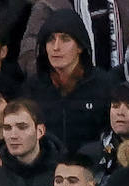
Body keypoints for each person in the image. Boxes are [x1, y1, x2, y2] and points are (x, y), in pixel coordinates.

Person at [21, 8, 115, 155]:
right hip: (44, 171)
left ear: (80, 46)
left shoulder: (104, 85)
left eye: (65, 39)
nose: (56, 47)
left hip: (93, 169)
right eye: (50, 39)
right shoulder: (32, 88)